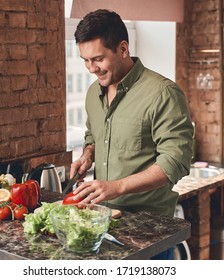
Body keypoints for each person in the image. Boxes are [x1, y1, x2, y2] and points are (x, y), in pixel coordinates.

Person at [69, 9, 194, 258]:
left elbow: (175, 162)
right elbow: (93, 135)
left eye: (98, 59)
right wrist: (88, 154)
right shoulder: (94, 92)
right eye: (85, 60)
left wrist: (118, 186)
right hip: (102, 222)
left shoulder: (163, 93)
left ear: (123, 49)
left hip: (149, 229)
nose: (91, 68)